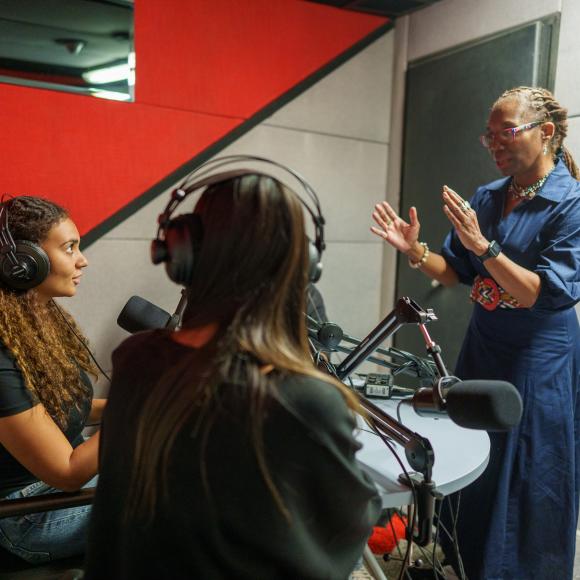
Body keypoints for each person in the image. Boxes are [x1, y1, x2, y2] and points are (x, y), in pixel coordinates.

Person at [84, 172, 381, 579]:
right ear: (303, 267)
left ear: (183, 254)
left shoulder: (135, 358)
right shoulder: (303, 399)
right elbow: (349, 523)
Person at [371, 86, 580, 579]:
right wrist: (417, 251)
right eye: (489, 137)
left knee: (525, 468)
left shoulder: (569, 203)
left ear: (545, 133)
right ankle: (460, 559)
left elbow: (539, 292)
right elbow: (455, 271)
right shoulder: (488, 196)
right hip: (484, 347)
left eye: (506, 133)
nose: (495, 145)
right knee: (470, 451)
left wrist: (486, 249)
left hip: (538, 356)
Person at [0, 196, 104, 564]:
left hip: (50, 495)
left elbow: (59, 411)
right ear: (23, 263)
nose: (82, 259)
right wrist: (139, 407)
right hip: (25, 517)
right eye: (69, 247)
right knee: (183, 497)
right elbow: (67, 472)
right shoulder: (1, 353)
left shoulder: (35, 322)